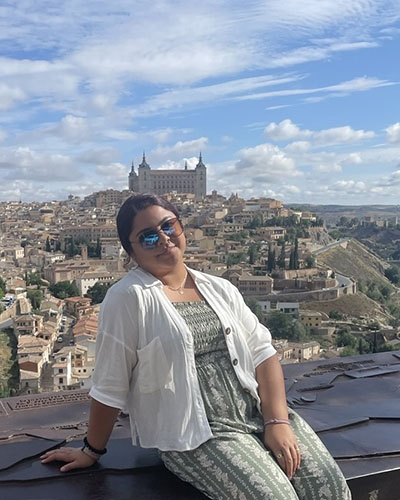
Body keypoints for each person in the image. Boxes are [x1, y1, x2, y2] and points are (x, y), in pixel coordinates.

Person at [41, 194, 351, 500]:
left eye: (168, 226)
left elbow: (263, 353)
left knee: (331, 490)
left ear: (181, 228)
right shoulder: (128, 297)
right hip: (197, 435)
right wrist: (92, 450)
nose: (163, 239)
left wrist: (278, 421)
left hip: (258, 413)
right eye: (148, 237)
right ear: (130, 251)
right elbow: (110, 385)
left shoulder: (219, 287)